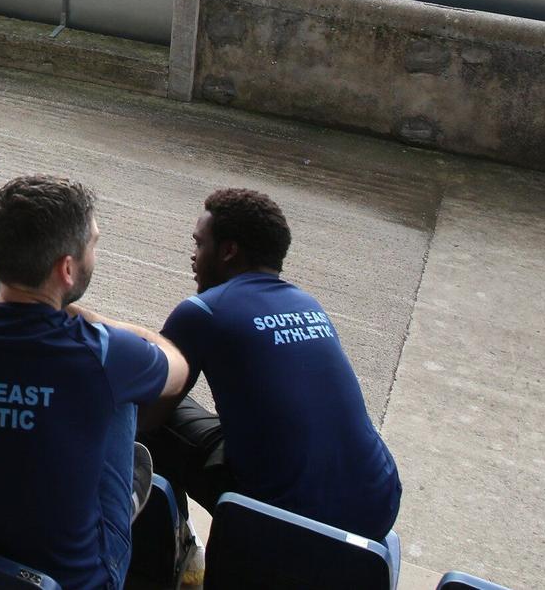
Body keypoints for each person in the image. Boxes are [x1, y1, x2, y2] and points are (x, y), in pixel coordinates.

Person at [0, 176, 190, 590]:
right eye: (93, 243)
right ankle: (120, 501)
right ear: (66, 269)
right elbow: (177, 370)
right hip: (69, 580)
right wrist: (96, 323)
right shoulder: (100, 352)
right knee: (117, 389)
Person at [144, 189, 401, 541]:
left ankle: (172, 549)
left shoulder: (204, 310)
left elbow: (149, 414)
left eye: (199, 244)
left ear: (228, 251)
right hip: (378, 505)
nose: (193, 256)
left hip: (281, 519)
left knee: (141, 408)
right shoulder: (309, 304)